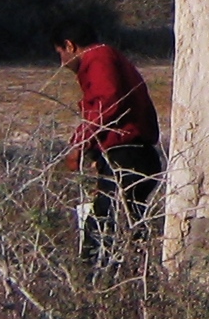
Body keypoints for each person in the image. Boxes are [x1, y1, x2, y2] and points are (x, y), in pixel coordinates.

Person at [53, 15, 163, 270]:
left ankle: (94, 282)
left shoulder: (98, 58)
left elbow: (107, 100)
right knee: (126, 222)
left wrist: (80, 144)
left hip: (128, 154)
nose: (62, 62)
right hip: (133, 154)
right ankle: (134, 278)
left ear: (70, 46)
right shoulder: (109, 57)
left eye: (60, 53)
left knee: (103, 222)